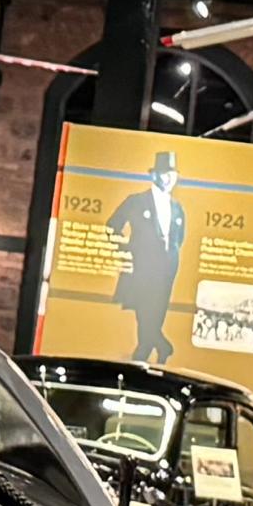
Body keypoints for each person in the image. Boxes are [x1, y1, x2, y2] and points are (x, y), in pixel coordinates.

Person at [110, 148, 188, 368]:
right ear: (153, 175)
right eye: (164, 173)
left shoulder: (177, 208)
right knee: (144, 308)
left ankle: (153, 348)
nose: (169, 178)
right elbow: (113, 226)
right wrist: (128, 249)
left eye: (172, 174)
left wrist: (170, 256)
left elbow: (179, 238)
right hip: (142, 267)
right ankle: (151, 348)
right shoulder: (136, 201)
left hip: (168, 269)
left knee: (158, 309)